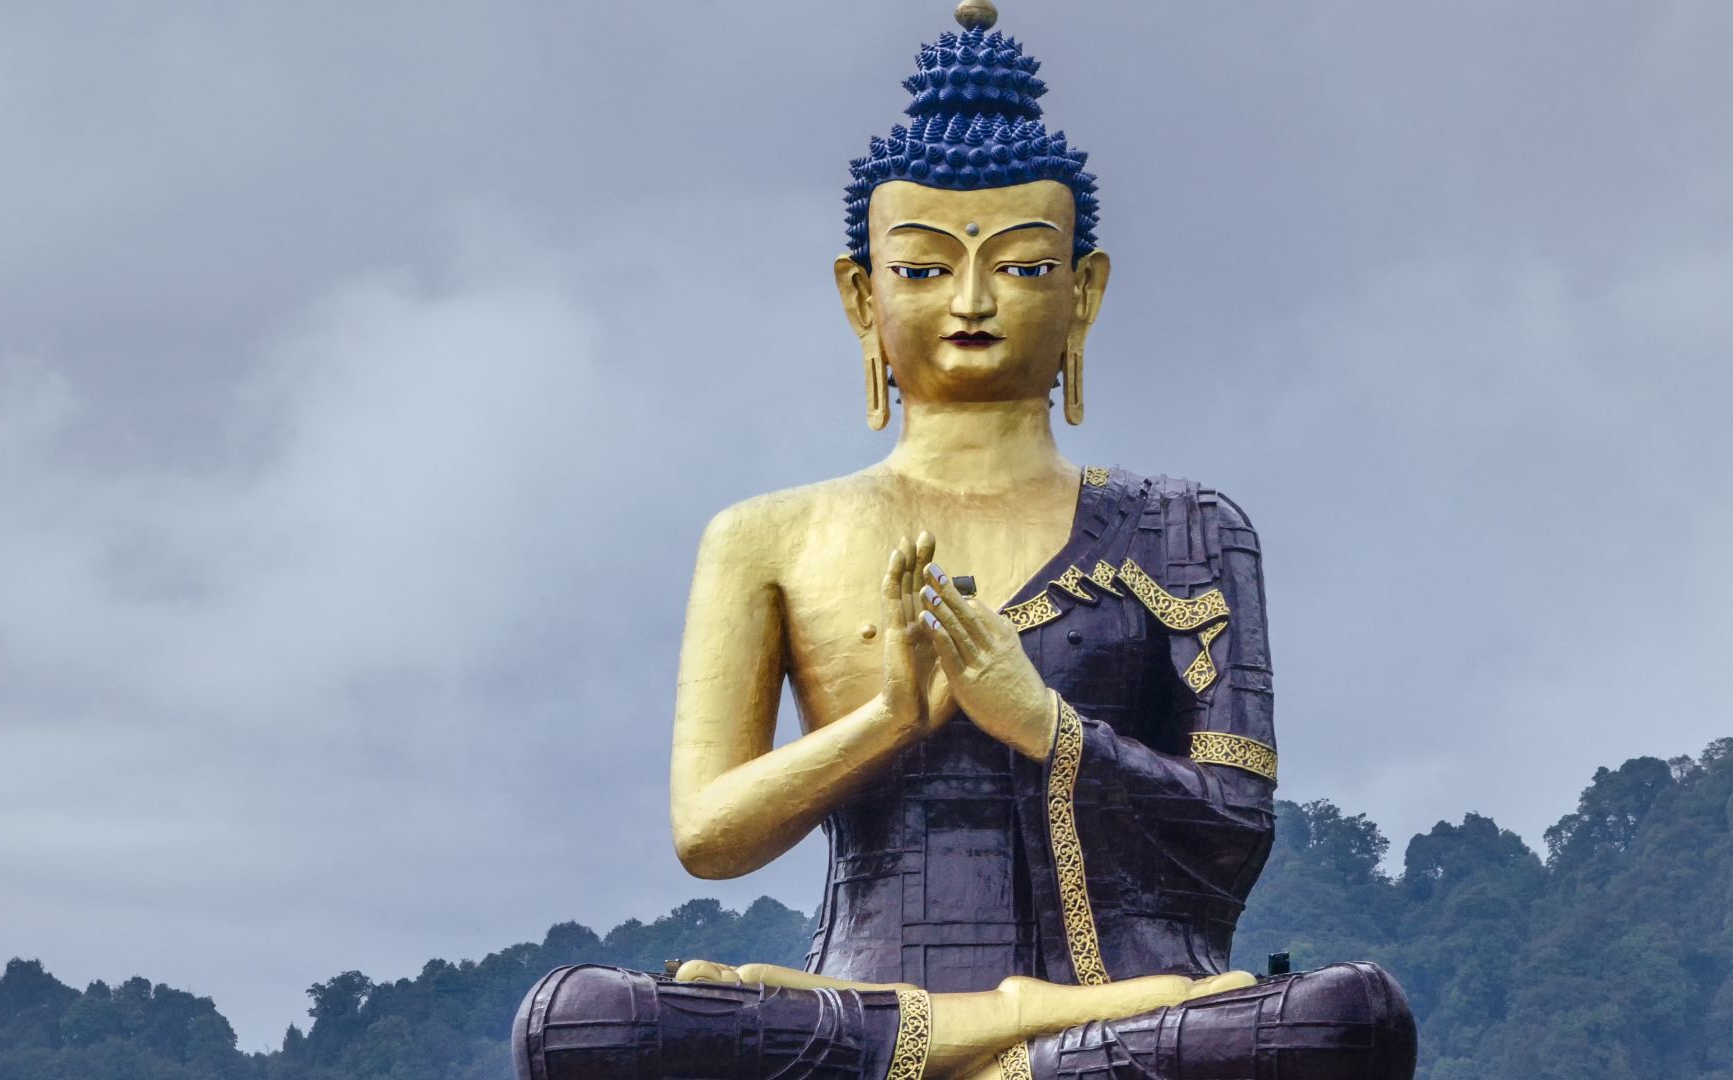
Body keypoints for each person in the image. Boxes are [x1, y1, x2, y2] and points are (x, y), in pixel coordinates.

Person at [513, 4, 1415, 1077]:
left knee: (1347, 1020)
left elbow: (1234, 827)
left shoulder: (1190, 529)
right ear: (862, 297)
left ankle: (1015, 1039)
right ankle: (1007, 1041)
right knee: (579, 1023)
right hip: (879, 1003)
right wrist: (892, 718)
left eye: (1027, 268)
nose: (975, 301)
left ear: (1085, 293)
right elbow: (710, 836)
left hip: (1129, 1010)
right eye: (926, 268)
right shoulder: (767, 536)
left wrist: (1043, 725)